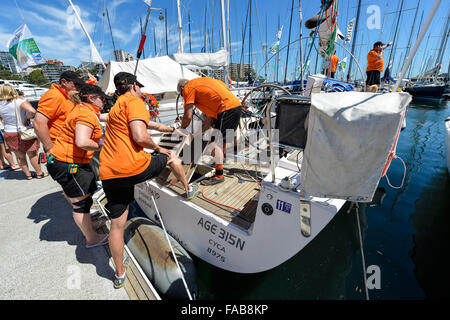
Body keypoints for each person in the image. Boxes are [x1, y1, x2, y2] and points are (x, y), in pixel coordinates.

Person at [99, 72, 199, 288]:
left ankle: (119, 274)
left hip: (109, 172)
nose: (142, 91)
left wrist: (171, 129)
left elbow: (148, 125)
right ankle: (189, 189)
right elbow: (140, 135)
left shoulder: (116, 106)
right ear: (134, 86)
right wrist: (159, 148)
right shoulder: (134, 102)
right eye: (140, 87)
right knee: (171, 156)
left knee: (117, 225)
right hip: (131, 168)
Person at [47, 84, 109, 248]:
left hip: (64, 161)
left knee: (84, 199)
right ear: (91, 98)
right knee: (80, 204)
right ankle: (91, 239)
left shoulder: (83, 109)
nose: (104, 101)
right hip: (68, 164)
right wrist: (103, 144)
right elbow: (82, 141)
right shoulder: (85, 115)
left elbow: (101, 118)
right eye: (101, 98)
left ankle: (90, 226)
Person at [177, 77, 243, 185]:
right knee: (223, 141)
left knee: (214, 144)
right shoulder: (204, 82)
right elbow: (209, 118)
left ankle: (219, 175)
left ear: (182, 88)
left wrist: (182, 130)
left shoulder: (188, 87)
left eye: (182, 94)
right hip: (235, 107)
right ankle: (220, 162)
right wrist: (200, 133)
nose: (184, 96)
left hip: (225, 110)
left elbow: (188, 115)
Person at [0, 84, 47, 179]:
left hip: (9, 132)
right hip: (24, 131)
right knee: (32, 154)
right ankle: (39, 173)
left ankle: (28, 175)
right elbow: (33, 111)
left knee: (20, 156)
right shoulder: (19, 101)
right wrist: (26, 118)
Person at [33, 71, 85, 155]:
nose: (79, 88)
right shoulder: (55, 96)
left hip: (69, 146)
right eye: (77, 85)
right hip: (60, 148)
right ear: (64, 82)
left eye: (81, 86)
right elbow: (38, 122)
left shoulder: (68, 96)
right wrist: (49, 148)